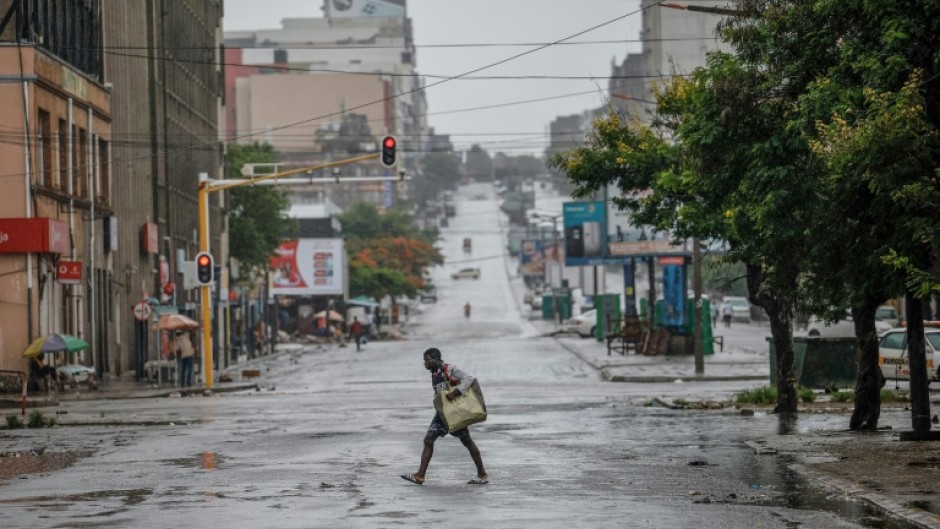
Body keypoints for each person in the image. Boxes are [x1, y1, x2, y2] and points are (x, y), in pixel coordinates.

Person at [401, 348, 488, 486]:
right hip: (443, 413)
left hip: (454, 412)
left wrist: (456, 392)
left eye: (428, 360)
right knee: (430, 440)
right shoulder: (434, 373)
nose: (425, 363)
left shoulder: (450, 369)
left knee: (464, 440)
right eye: (424, 360)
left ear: (437, 358)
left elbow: (469, 379)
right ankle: (420, 475)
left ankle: (482, 474)